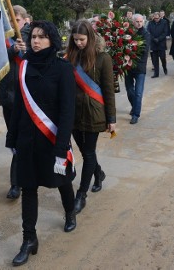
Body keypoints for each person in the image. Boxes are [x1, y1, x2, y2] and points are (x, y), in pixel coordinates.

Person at [5, 20, 77, 267]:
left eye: (42, 37)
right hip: (28, 139)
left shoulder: (63, 68)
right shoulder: (23, 66)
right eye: (33, 36)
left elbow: (68, 111)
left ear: (52, 40)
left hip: (53, 138)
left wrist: (61, 146)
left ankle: (69, 211)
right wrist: (12, 136)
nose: (36, 41)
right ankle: (29, 239)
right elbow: (18, 108)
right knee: (28, 188)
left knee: (62, 181)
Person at [66, 20, 116, 214]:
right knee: (86, 150)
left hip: (94, 112)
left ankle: (81, 194)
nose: (78, 43)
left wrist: (111, 118)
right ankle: (99, 173)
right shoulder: (69, 57)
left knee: (88, 153)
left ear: (90, 37)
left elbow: (109, 90)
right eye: (75, 39)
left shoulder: (103, 58)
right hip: (73, 112)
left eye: (82, 39)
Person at [0, 5, 31, 200]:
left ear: (25, 20)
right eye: (10, 20)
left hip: (27, 98)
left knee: (25, 140)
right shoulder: (3, 39)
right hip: (8, 97)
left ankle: (18, 182)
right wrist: (11, 51)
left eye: (16, 20)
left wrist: (26, 51)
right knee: (16, 140)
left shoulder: (34, 36)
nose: (12, 23)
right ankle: (17, 182)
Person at [125, 14, 150, 124]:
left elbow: (144, 50)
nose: (139, 23)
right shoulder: (128, 33)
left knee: (138, 93)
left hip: (140, 67)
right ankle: (134, 106)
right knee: (130, 91)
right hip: (128, 67)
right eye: (137, 21)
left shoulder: (146, 34)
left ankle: (135, 114)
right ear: (133, 22)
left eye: (141, 21)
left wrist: (131, 52)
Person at [147, 11, 169, 77]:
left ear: (160, 17)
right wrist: (153, 38)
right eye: (155, 18)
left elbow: (165, 32)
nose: (156, 19)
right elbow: (148, 32)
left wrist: (159, 39)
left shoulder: (164, 22)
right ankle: (156, 73)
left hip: (161, 43)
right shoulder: (150, 23)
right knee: (155, 59)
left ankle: (164, 67)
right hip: (153, 43)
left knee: (162, 58)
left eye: (157, 18)